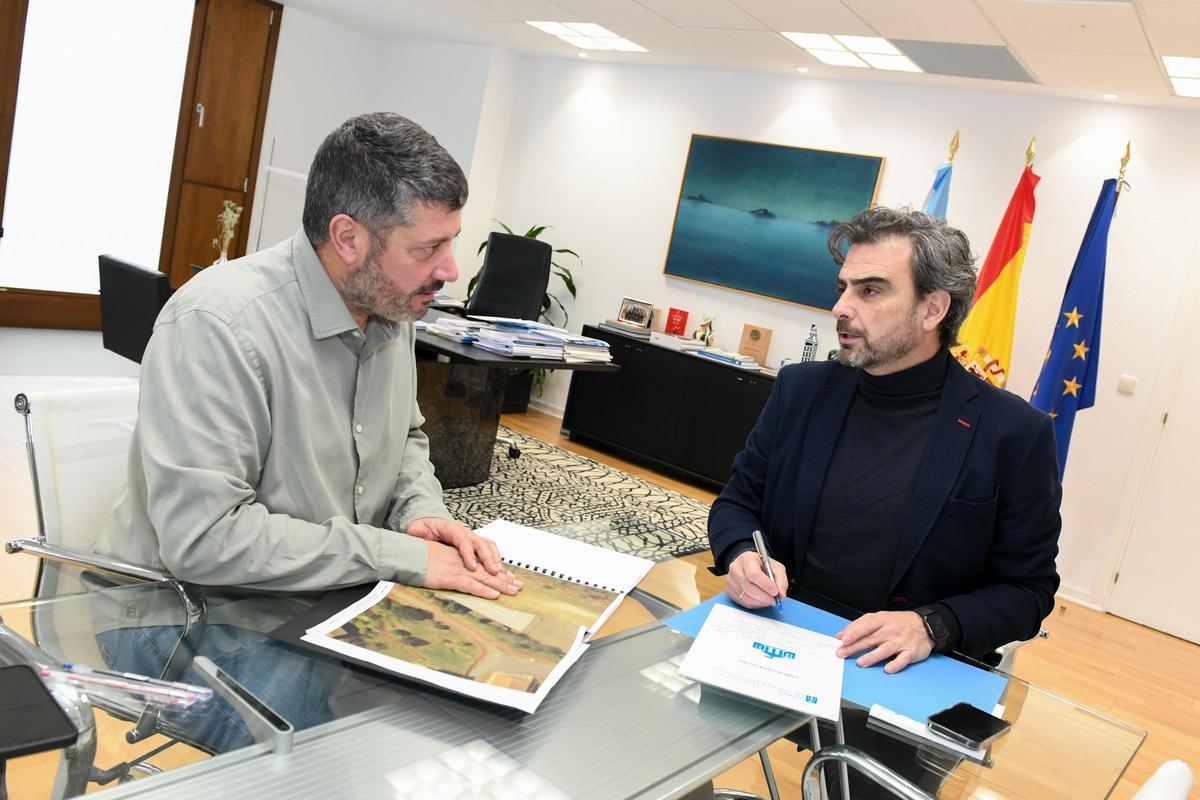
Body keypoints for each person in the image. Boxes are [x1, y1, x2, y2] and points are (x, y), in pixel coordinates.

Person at [93, 112, 521, 751]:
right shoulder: (219, 323)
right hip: (183, 612)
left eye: (451, 242)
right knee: (331, 747)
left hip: (320, 594)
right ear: (348, 238)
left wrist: (420, 515)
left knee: (471, 699)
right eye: (428, 248)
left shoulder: (392, 308)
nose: (451, 270)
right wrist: (396, 556)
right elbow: (204, 542)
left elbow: (406, 438)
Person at [709, 205, 1061, 671]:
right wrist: (739, 553)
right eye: (843, 288)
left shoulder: (1015, 433)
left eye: (870, 290)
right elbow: (736, 504)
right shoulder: (800, 390)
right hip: (778, 639)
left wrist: (931, 625)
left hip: (904, 671)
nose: (840, 308)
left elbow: (1029, 592)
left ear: (932, 309)